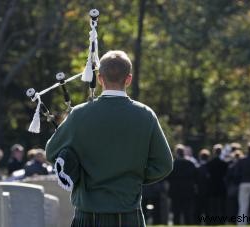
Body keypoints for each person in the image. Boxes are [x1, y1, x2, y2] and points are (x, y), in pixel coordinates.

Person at [45, 50, 173, 227]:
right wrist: (134, 177)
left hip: (88, 215)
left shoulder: (79, 114)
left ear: (99, 78)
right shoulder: (145, 115)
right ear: (128, 79)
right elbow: (164, 164)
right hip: (128, 214)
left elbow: (52, 152)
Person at [167, 144, 196, 225]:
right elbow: (195, 176)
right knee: (187, 211)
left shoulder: (173, 164)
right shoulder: (190, 164)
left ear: (176, 153)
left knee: (176, 211)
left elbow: (168, 177)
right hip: (188, 191)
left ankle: (176, 224)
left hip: (175, 191)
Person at [206, 144, 228, 225]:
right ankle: (221, 221)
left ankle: (212, 221)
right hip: (221, 186)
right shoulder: (224, 164)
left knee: (212, 205)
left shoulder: (209, 163)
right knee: (221, 205)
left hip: (212, 186)